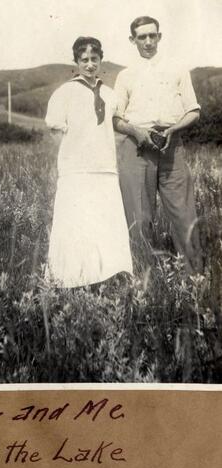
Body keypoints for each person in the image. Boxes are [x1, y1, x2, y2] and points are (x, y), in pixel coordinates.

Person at [113, 16, 202, 274]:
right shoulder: (125, 76)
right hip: (137, 147)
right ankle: (144, 278)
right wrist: (137, 132)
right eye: (142, 37)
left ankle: (193, 278)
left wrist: (174, 129)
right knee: (139, 216)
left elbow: (193, 111)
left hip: (172, 145)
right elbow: (116, 119)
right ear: (133, 40)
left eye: (153, 36)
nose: (148, 42)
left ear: (160, 37)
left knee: (184, 214)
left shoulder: (177, 69)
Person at [45, 36, 133, 288]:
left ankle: (107, 275)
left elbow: (117, 122)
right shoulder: (64, 93)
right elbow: (55, 131)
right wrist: (63, 166)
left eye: (95, 59)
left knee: (104, 222)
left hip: (105, 168)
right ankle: (71, 279)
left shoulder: (109, 93)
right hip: (76, 170)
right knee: (76, 222)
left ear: (101, 60)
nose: (90, 64)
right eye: (84, 59)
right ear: (76, 62)